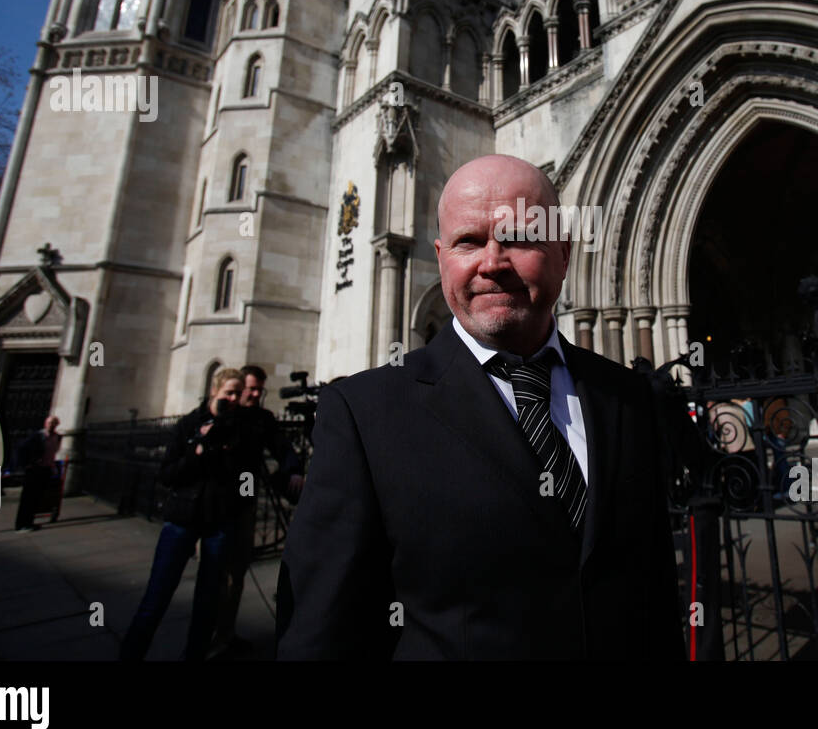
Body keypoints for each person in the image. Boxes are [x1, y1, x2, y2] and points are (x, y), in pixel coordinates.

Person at [277, 154, 684, 659]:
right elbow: (322, 632)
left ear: (563, 253)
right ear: (442, 254)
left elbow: (655, 589)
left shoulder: (625, 397)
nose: (492, 262)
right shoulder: (364, 414)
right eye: (469, 241)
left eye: (517, 237)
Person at [120, 368, 246, 661]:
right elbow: (168, 475)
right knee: (157, 596)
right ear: (214, 390)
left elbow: (240, 477)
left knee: (207, 603)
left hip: (216, 521)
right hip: (182, 519)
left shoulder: (238, 429)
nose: (234, 398)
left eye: (238, 394)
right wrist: (197, 450)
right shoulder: (188, 425)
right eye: (229, 392)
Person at [210, 364, 304, 659]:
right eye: (248, 389)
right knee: (214, 576)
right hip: (210, 508)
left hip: (243, 505)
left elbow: (282, 447)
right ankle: (206, 638)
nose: (252, 395)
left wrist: (293, 471)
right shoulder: (216, 419)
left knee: (235, 574)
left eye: (257, 390)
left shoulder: (259, 420)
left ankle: (224, 636)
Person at [14, 416, 61, 531]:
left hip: (46, 470)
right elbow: (22, 448)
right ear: (45, 423)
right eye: (49, 423)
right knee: (27, 498)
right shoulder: (38, 436)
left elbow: (52, 453)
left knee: (36, 498)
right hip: (34, 470)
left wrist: (52, 466)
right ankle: (21, 524)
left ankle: (29, 522)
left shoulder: (57, 437)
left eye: (53, 423)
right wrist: (28, 464)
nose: (51, 425)